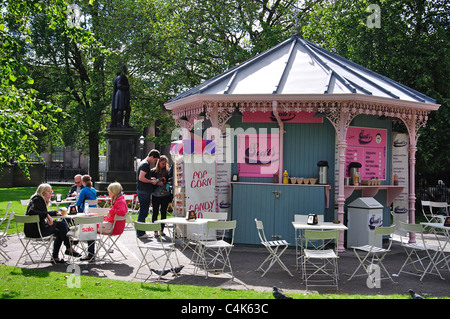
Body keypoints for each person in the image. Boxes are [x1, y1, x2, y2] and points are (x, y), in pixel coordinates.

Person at [25, 183, 81, 264]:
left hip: (35, 229)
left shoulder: (39, 199)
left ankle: (56, 257)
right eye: (48, 191)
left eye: (51, 191)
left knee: (59, 231)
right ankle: (69, 245)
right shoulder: (37, 199)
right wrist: (47, 215)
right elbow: (32, 211)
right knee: (61, 224)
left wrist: (54, 213)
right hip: (36, 231)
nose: (50, 194)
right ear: (42, 192)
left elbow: (41, 212)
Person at [81, 182, 128, 261]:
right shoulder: (118, 199)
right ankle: (90, 253)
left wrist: (111, 210)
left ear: (114, 192)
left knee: (90, 228)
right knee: (90, 227)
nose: (108, 193)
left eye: (109, 191)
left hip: (113, 227)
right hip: (112, 225)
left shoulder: (120, 201)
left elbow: (122, 212)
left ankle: (90, 254)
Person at [136, 149, 160, 238]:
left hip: (142, 190)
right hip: (144, 190)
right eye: (155, 160)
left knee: (143, 211)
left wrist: (150, 178)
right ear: (152, 157)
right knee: (143, 212)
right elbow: (141, 178)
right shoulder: (145, 164)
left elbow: (143, 177)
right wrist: (151, 181)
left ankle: (140, 231)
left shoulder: (143, 163)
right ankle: (141, 232)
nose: (155, 162)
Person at [150, 155, 172, 237]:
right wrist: (156, 183)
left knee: (163, 213)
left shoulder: (167, 172)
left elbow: (170, 180)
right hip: (156, 194)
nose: (163, 165)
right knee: (155, 212)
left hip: (165, 195)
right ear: (158, 163)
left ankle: (161, 230)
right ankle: (155, 231)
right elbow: (150, 183)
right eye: (162, 163)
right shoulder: (153, 171)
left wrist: (167, 183)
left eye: (165, 163)